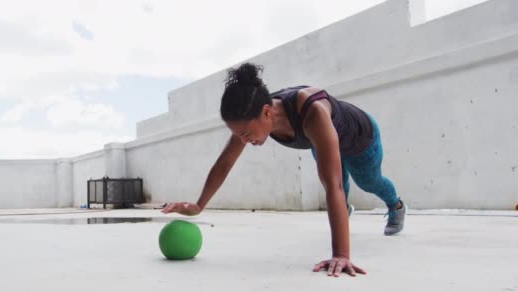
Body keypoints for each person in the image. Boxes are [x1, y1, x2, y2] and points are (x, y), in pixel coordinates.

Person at [162, 62, 406, 277]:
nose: (243, 140)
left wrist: (341, 255)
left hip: (360, 139)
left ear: (267, 112)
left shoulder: (312, 112)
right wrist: (198, 206)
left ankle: (396, 206)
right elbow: (225, 162)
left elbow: (334, 187)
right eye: (238, 135)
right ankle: (343, 209)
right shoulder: (251, 112)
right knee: (336, 185)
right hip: (321, 141)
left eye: (245, 134)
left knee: (366, 181)